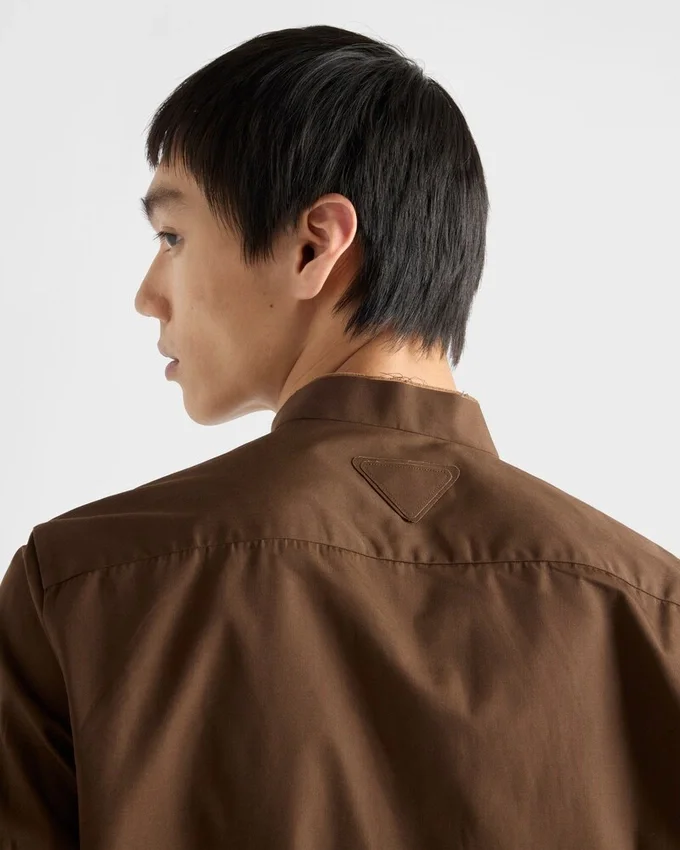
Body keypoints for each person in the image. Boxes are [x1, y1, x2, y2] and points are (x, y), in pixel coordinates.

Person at [1, 24, 678, 850]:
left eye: (172, 236)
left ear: (313, 245)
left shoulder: (82, 585)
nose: (149, 293)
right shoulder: (655, 614)